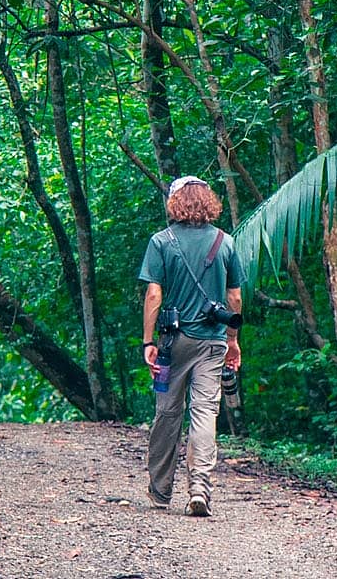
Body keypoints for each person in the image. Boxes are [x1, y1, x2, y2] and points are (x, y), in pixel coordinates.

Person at [138, 175, 244, 517]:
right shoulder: (225, 242)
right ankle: (199, 487)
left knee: (168, 413)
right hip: (213, 342)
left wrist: (148, 341)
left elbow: (154, 293)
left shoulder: (161, 241)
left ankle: (160, 490)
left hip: (173, 343)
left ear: (175, 202)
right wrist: (233, 341)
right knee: (204, 413)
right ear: (207, 201)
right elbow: (235, 296)